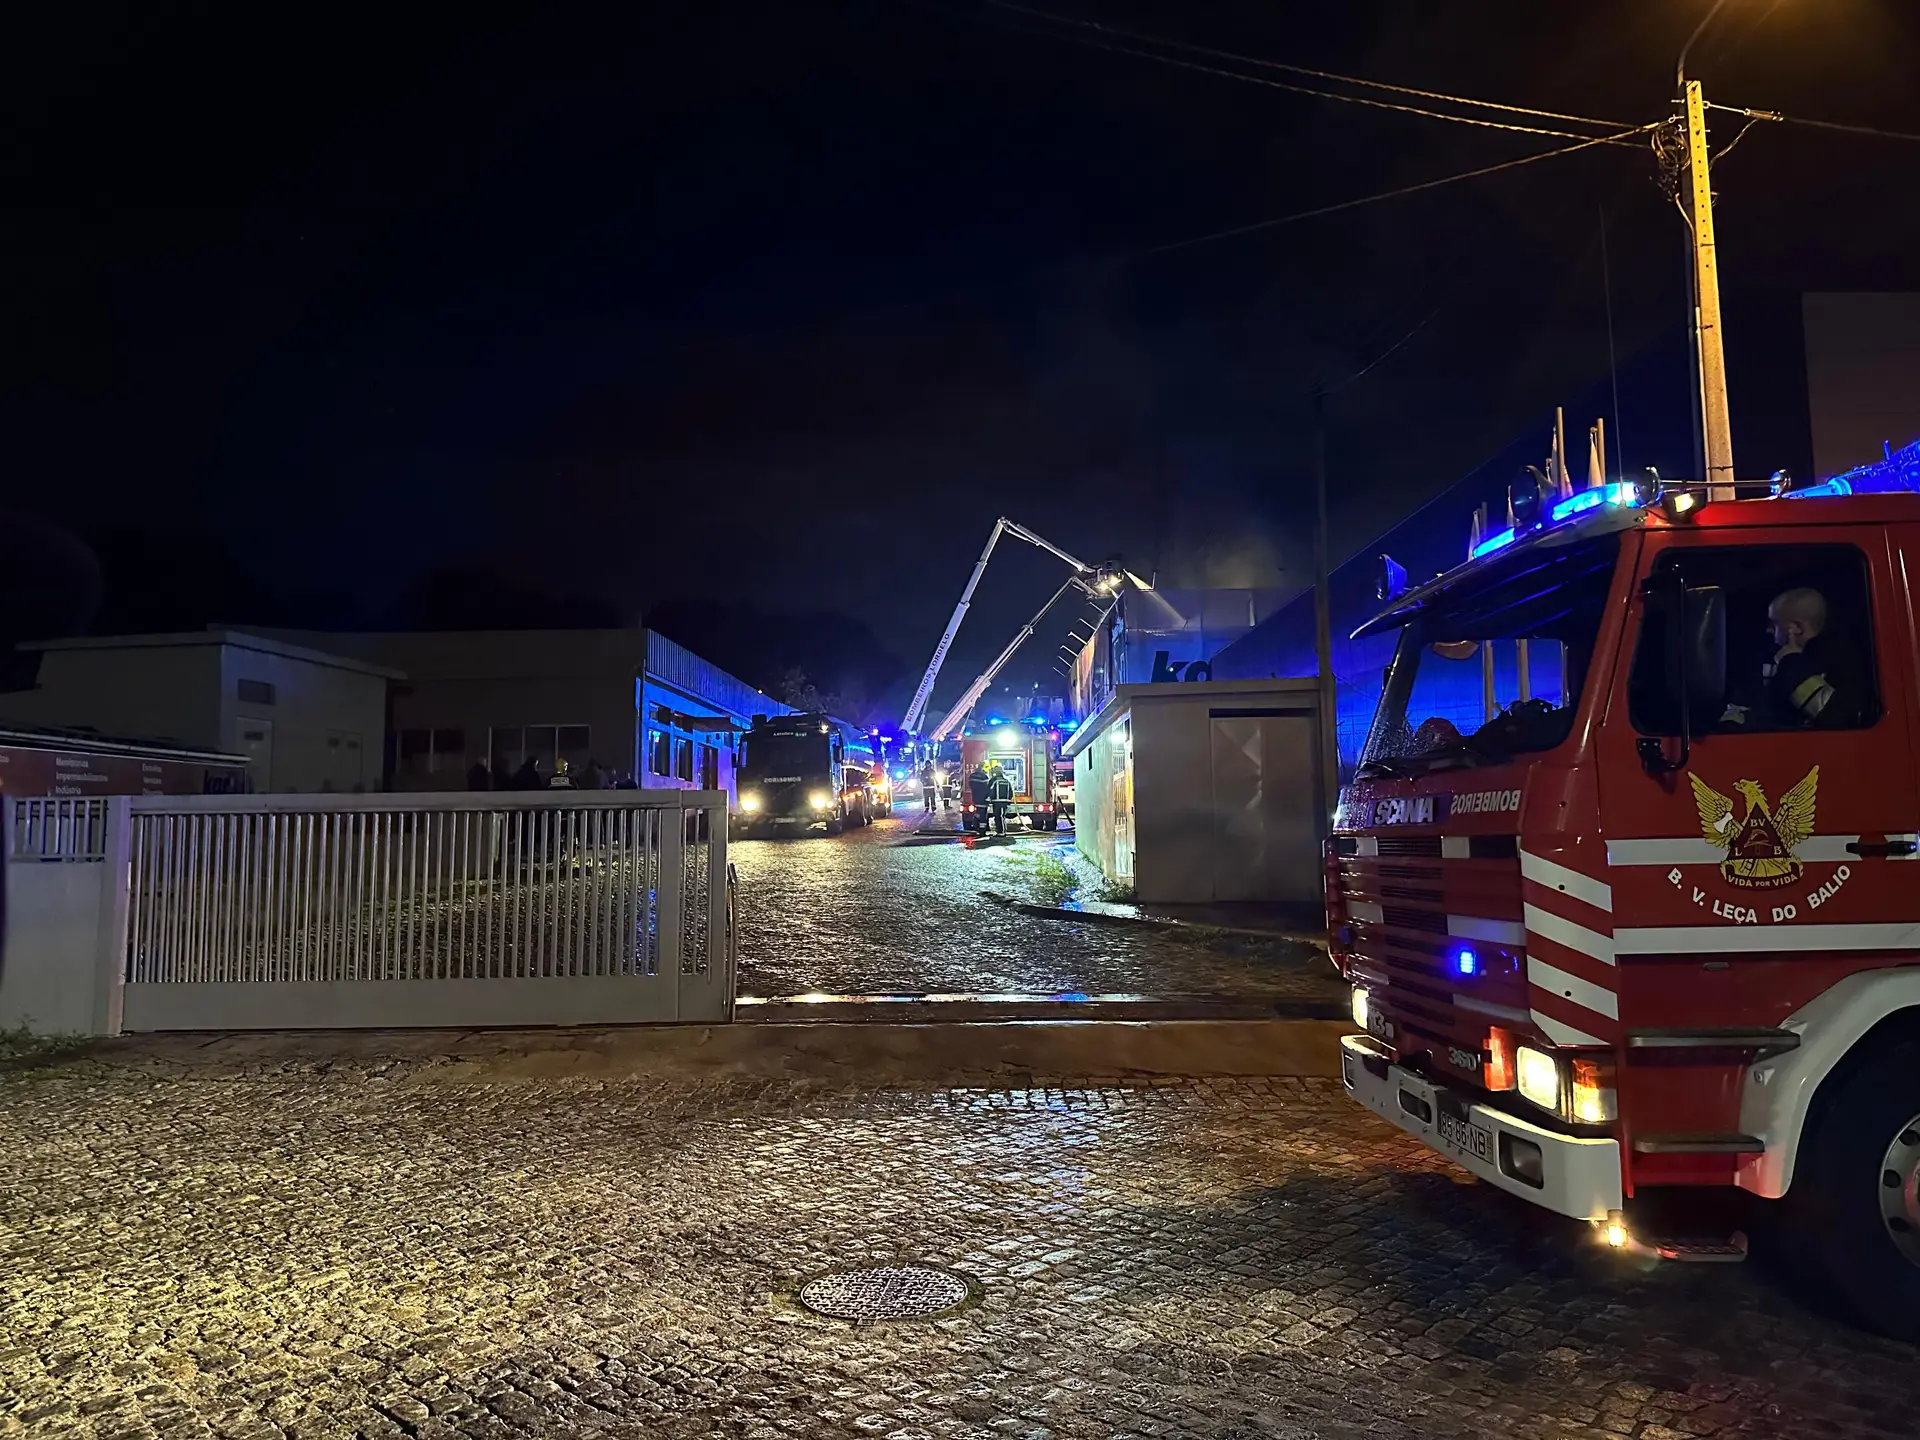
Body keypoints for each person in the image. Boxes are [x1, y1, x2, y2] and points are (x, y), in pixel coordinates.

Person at [1726, 587, 1864, 730]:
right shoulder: (1765, 658)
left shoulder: (1842, 660)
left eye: (1774, 624)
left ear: (1796, 628)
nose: (1768, 630)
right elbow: (1741, 706)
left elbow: (1840, 718)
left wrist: (1792, 664)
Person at [987, 761, 1015, 836]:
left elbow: (989, 790)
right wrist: (1008, 799)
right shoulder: (1006, 781)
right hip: (1004, 802)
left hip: (997, 802)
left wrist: (989, 798)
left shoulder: (993, 780)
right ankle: (1001, 831)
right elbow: (1011, 792)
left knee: (999, 816)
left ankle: (1002, 831)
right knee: (1000, 816)